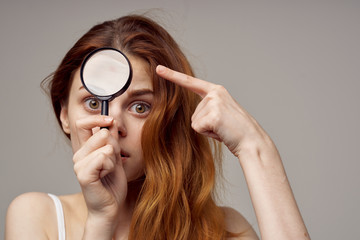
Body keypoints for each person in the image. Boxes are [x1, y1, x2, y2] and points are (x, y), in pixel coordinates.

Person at [5, 15, 309, 240]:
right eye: (94, 103)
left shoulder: (224, 230)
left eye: (140, 107)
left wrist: (255, 147)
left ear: (169, 120)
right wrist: (101, 220)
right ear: (64, 115)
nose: (114, 126)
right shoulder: (36, 217)